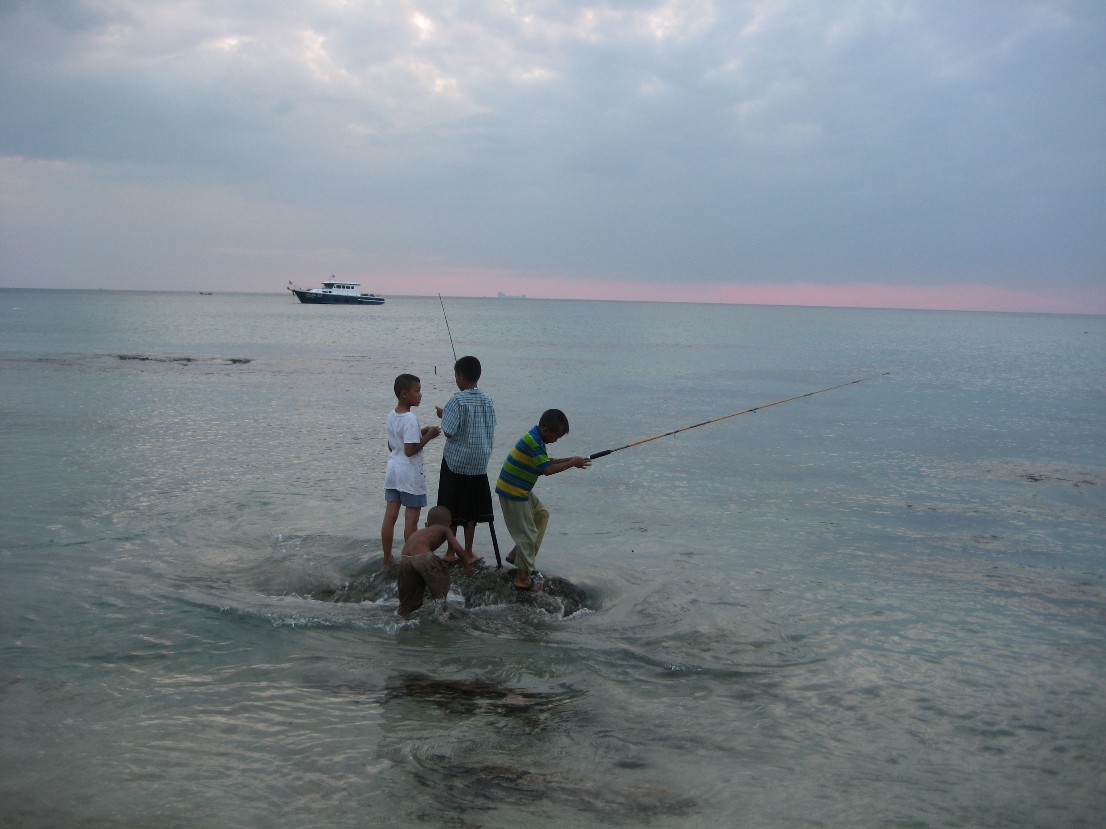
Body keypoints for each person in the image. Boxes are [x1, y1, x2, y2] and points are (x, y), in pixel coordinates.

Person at [495, 409, 590, 592]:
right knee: (528, 534)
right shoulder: (533, 441)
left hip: (521, 488)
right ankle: (522, 579)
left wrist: (573, 459)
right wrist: (572, 463)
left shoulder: (536, 438)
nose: (556, 440)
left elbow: (547, 461)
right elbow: (547, 470)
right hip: (513, 491)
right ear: (546, 429)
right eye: (556, 437)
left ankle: (519, 556)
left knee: (541, 514)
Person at [434, 355, 496, 563]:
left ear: (460, 376)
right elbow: (488, 426)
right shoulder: (488, 400)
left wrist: (444, 416)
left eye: (455, 375)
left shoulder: (456, 400)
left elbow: (449, 432)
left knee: (451, 508)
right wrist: (449, 414)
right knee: (471, 511)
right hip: (479, 464)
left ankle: (451, 553)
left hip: (456, 462)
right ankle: (468, 551)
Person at [381, 373, 440, 567]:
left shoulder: (391, 415)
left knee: (390, 517)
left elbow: (393, 446)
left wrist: (419, 432)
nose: (421, 394)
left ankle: (387, 558)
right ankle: (410, 559)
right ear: (405, 394)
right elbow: (409, 450)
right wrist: (429, 436)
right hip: (409, 474)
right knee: (411, 520)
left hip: (393, 471)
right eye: (417, 390)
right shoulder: (410, 418)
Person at [397, 506, 482, 617]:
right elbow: (456, 547)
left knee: (409, 600)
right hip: (424, 558)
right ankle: (443, 612)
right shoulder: (445, 529)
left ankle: (403, 615)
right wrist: (466, 565)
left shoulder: (420, 532)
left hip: (404, 560)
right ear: (448, 524)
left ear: (427, 524)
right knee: (441, 583)